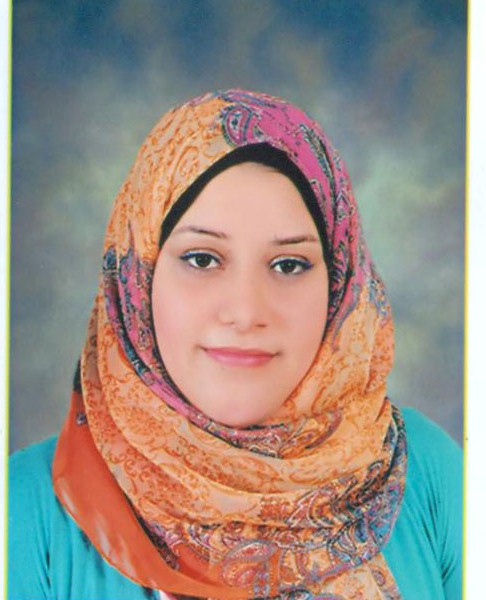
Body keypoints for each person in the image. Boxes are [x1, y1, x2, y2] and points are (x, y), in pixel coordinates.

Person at [8, 89, 462, 599]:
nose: (246, 312)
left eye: (288, 265)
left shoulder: (427, 473)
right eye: (202, 259)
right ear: (138, 278)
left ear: (340, 286)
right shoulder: (24, 513)